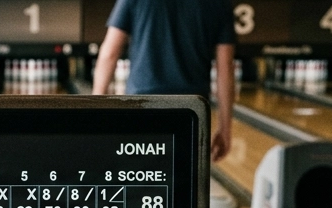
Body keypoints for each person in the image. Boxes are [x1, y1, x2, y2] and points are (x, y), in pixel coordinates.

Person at [91, 0, 237, 163]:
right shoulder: (220, 4)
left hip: (141, 106)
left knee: (141, 178)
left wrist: (96, 114)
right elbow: (225, 67)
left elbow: (109, 53)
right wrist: (225, 128)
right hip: (191, 112)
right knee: (185, 182)